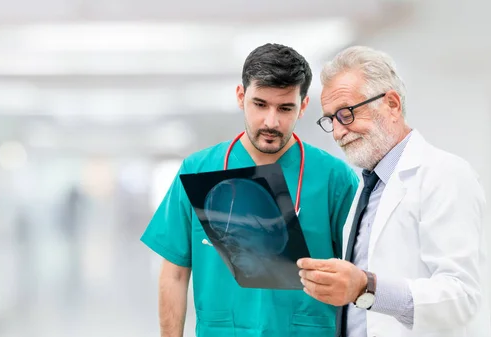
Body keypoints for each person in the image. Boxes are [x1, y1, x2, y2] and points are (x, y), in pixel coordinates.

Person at [140, 43, 359, 337]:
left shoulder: (334, 179)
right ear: (241, 97)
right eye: (260, 104)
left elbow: (359, 275)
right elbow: (175, 273)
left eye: (285, 108)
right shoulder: (199, 170)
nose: (271, 121)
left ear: (304, 106)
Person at [298, 45, 491, 337]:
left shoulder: (445, 174)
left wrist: (367, 287)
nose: (338, 132)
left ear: (391, 104)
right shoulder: (367, 189)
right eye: (330, 119)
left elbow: (462, 296)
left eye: (346, 113)